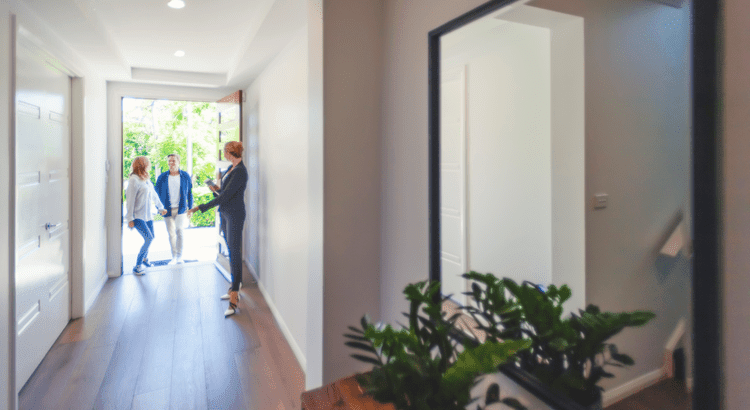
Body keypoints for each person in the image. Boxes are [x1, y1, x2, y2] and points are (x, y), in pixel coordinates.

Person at [188, 141, 247, 317]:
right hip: (226, 214)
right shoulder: (231, 169)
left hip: (235, 215)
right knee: (231, 251)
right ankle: (233, 287)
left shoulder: (240, 172)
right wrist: (215, 188)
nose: (224, 155)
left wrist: (200, 207)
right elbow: (224, 193)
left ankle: (235, 297)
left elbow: (226, 197)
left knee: (235, 253)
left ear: (231, 153)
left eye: (225, 152)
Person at [125, 156, 167, 275]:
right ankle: (137, 266)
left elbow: (153, 194)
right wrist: (129, 218)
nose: (150, 164)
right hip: (138, 216)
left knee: (151, 236)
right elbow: (130, 200)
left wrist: (161, 207)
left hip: (148, 215)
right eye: (148, 163)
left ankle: (144, 259)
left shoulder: (146, 179)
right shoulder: (134, 180)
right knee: (148, 238)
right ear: (142, 165)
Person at [155, 153, 194, 265]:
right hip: (166, 209)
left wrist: (190, 208)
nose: (171, 163)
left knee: (179, 231)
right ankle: (174, 257)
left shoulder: (185, 176)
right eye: (169, 161)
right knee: (171, 234)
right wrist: (159, 208)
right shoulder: (162, 177)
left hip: (181, 209)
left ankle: (179, 256)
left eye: (173, 160)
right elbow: (156, 194)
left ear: (178, 162)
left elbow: (190, 193)